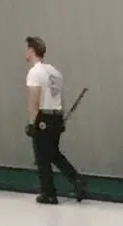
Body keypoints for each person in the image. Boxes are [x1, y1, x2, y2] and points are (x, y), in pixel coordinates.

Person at [22, 37, 83, 204]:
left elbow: (34, 99)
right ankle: (76, 180)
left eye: (27, 49)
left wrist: (33, 123)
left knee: (42, 157)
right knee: (53, 153)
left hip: (43, 116)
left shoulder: (34, 72)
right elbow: (58, 96)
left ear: (32, 51)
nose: (25, 52)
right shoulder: (54, 72)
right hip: (56, 115)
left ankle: (49, 193)